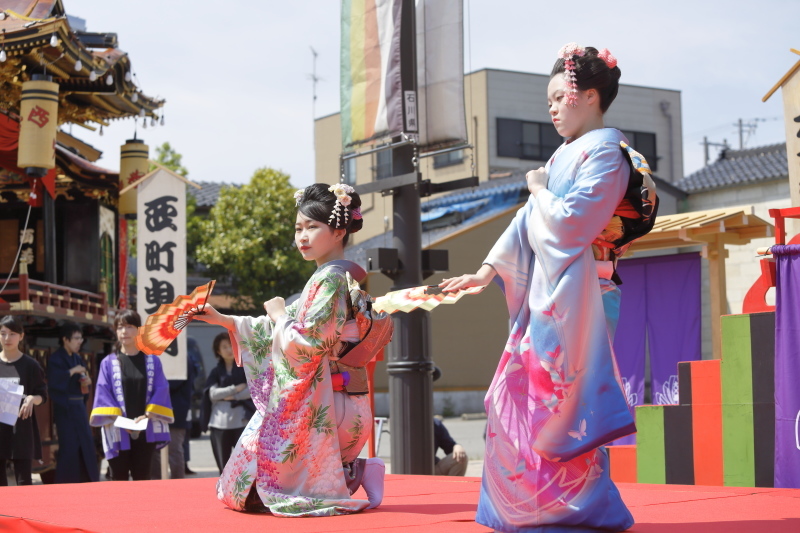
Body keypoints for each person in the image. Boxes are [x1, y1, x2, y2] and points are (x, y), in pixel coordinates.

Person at [440, 44, 636, 532]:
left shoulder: (609, 153)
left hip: (583, 296)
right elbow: (529, 223)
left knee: (559, 409)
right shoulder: (565, 154)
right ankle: (519, 508)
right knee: (516, 404)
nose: (550, 109)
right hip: (550, 297)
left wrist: (540, 190)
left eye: (557, 98)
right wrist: (486, 273)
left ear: (588, 96)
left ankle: (577, 510)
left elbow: (568, 227)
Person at [196, 183, 388, 517]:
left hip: (332, 402)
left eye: (313, 227)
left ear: (339, 230)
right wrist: (227, 320)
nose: (302, 236)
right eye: (298, 228)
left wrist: (281, 315)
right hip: (337, 398)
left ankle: (353, 472)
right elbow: (290, 334)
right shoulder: (328, 277)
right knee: (254, 484)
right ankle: (354, 471)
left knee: (255, 473)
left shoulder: (329, 280)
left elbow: (310, 343)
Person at [89, 309, 174, 481]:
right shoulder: (108, 363)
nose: (124, 332)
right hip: (118, 428)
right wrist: (120, 422)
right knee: (118, 478)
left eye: (129, 326)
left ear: (139, 330)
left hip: (145, 426)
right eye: (120, 327)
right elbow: (103, 392)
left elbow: (161, 388)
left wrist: (148, 415)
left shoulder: (152, 361)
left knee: (143, 478)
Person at [47, 321, 100, 483]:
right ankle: (66, 483)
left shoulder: (78, 358)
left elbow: (83, 385)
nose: (79, 342)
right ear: (65, 339)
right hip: (66, 409)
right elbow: (54, 382)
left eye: (80, 339)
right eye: (76, 338)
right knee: (69, 447)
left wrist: (86, 383)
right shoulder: (56, 358)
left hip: (79, 409)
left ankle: (86, 481)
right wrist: (71, 371)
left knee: (85, 444)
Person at [0, 316, 47, 486]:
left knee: (24, 484)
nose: (7, 338)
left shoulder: (30, 365)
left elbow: (43, 396)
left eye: (12, 334)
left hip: (21, 429)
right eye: (3, 333)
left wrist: (31, 399)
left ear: (21, 336)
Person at [201, 332, 253, 474]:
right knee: (223, 467)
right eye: (224, 347)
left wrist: (231, 396)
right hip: (219, 422)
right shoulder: (215, 372)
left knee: (244, 466)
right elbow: (212, 394)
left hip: (242, 421)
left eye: (231, 345)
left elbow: (251, 390)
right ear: (218, 351)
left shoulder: (247, 369)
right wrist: (235, 389)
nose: (229, 350)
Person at [151, 343, 196, 479]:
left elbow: (175, 382)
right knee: (154, 450)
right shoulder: (155, 354)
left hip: (176, 410)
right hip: (155, 409)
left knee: (174, 449)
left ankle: (177, 486)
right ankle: (156, 487)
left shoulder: (181, 355)